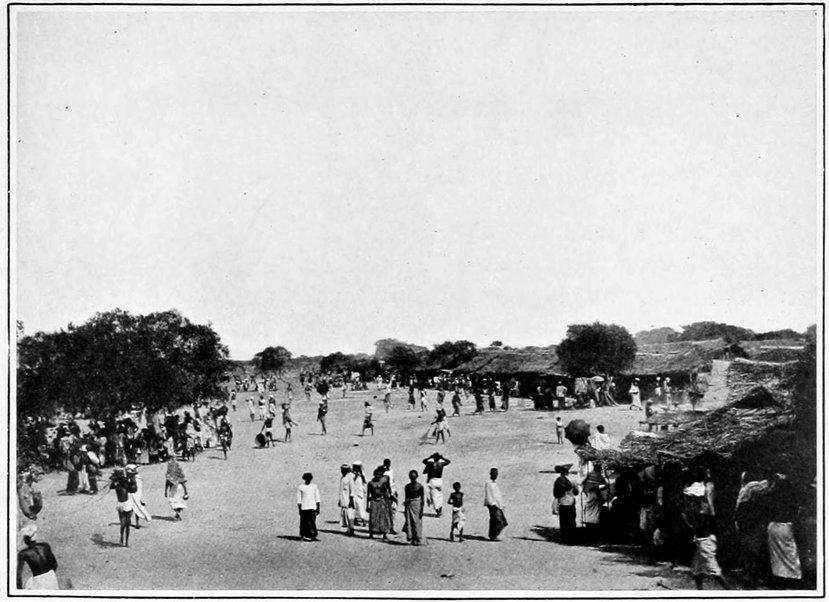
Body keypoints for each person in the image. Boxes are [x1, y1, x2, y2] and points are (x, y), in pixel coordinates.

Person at [682, 471, 729, 590]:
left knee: (715, 571)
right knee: (696, 571)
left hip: (705, 542)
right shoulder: (701, 510)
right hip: (702, 540)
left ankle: (732, 593)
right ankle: (700, 592)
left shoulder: (703, 512)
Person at [766, 472, 803, 587]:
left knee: (776, 555)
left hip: (773, 526)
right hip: (785, 526)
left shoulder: (772, 497)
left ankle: (779, 578)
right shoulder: (790, 499)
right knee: (790, 553)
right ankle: (793, 578)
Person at [16, 525, 58, 590]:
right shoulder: (45, 545)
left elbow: (19, 575)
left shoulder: (23, 553)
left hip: (38, 581)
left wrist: (19, 590)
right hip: (51, 577)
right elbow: (55, 564)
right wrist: (50, 576)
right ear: (34, 536)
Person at [110, 468, 137, 547]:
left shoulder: (125, 483)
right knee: (123, 524)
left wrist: (132, 480)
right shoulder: (117, 484)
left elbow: (133, 490)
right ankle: (122, 537)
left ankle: (126, 541)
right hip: (121, 504)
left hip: (127, 503)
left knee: (127, 524)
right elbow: (111, 486)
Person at [553, 464, 578, 544]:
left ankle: (565, 538)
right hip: (571, 502)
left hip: (562, 502)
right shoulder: (572, 481)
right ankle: (572, 538)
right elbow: (576, 492)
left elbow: (555, 494)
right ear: (567, 472)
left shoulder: (558, 481)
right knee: (571, 521)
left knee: (563, 521)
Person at [582, 463, 608, 540]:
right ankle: (593, 533)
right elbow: (605, 485)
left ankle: (588, 530)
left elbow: (583, 483)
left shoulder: (589, 474)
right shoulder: (599, 476)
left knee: (588, 511)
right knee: (595, 513)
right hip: (595, 495)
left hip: (588, 495)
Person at [423, 452, 451, 517]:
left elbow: (424, 461)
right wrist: (442, 458)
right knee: (440, 496)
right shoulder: (441, 464)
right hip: (439, 481)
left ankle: (438, 512)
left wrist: (430, 457)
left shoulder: (430, 464)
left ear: (433, 458)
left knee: (434, 497)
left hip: (432, 481)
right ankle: (440, 510)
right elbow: (448, 461)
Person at [367, 466, 392, 539]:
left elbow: (385, 493)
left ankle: (384, 534)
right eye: (376, 474)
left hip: (381, 501)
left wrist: (386, 503)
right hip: (373, 501)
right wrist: (367, 506)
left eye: (379, 475)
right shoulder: (371, 483)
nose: (378, 476)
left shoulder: (382, 483)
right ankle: (371, 533)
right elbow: (368, 494)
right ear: (374, 475)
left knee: (382, 517)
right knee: (373, 517)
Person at [125, 464, 152, 529]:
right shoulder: (133, 478)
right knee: (131, 509)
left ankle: (136, 523)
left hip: (135, 496)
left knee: (134, 509)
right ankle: (132, 522)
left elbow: (137, 489)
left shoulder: (136, 478)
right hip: (131, 496)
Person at [484, 467, 508, 541]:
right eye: (494, 473)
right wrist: (492, 503)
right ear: (490, 474)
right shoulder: (488, 483)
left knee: (498, 520)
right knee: (498, 520)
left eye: (496, 474)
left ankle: (493, 535)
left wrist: (501, 504)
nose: (496, 475)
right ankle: (493, 536)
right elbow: (488, 494)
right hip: (492, 504)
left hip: (497, 504)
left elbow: (497, 495)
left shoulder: (495, 483)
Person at [403, 469, 425, 546]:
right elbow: (406, 498)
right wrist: (405, 509)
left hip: (417, 505)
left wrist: (422, 510)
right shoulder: (407, 487)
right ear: (409, 477)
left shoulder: (420, 486)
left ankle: (417, 537)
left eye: (414, 476)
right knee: (409, 521)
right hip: (409, 505)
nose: (413, 478)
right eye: (411, 476)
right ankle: (411, 538)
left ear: (417, 476)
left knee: (416, 521)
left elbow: (422, 499)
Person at [297, 472, 321, 542]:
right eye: (307, 478)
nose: (308, 480)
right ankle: (302, 535)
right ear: (304, 479)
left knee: (312, 522)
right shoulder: (301, 487)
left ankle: (313, 536)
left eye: (309, 478)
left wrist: (318, 508)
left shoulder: (314, 486)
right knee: (303, 522)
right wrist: (299, 509)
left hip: (312, 507)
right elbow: (299, 499)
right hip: (304, 507)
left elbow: (317, 497)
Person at [383, 458, 399, 534]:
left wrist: (395, 491)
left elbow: (393, 482)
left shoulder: (391, 471)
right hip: (387, 493)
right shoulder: (383, 473)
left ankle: (391, 527)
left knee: (393, 510)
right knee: (387, 511)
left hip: (392, 491)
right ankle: (388, 527)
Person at [338, 465, 355, 536]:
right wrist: (340, 500)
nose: (342, 471)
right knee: (345, 514)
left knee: (350, 514)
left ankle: (351, 528)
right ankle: (348, 529)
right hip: (343, 498)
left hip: (348, 498)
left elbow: (352, 489)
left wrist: (351, 499)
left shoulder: (349, 478)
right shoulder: (342, 478)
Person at [351, 462, 368, 527]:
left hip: (360, 493)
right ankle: (355, 520)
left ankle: (363, 521)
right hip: (353, 492)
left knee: (360, 507)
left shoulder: (362, 474)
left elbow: (365, 481)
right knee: (354, 507)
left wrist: (361, 474)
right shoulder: (351, 474)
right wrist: (356, 475)